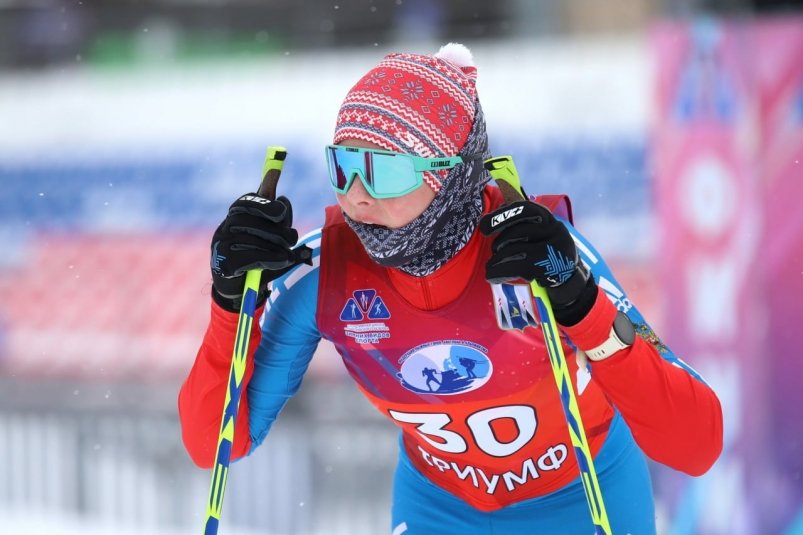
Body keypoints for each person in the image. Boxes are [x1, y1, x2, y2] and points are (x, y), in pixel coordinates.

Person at [178, 43, 723, 534]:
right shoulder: (324, 272)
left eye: (385, 170)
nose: (358, 196)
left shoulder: (531, 254)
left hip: (581, 498)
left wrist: (581, 305)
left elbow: (697, 443)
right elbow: (213, 444)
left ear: (452, 174)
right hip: (439, 507)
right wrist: (229, 301)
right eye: (343, 167)